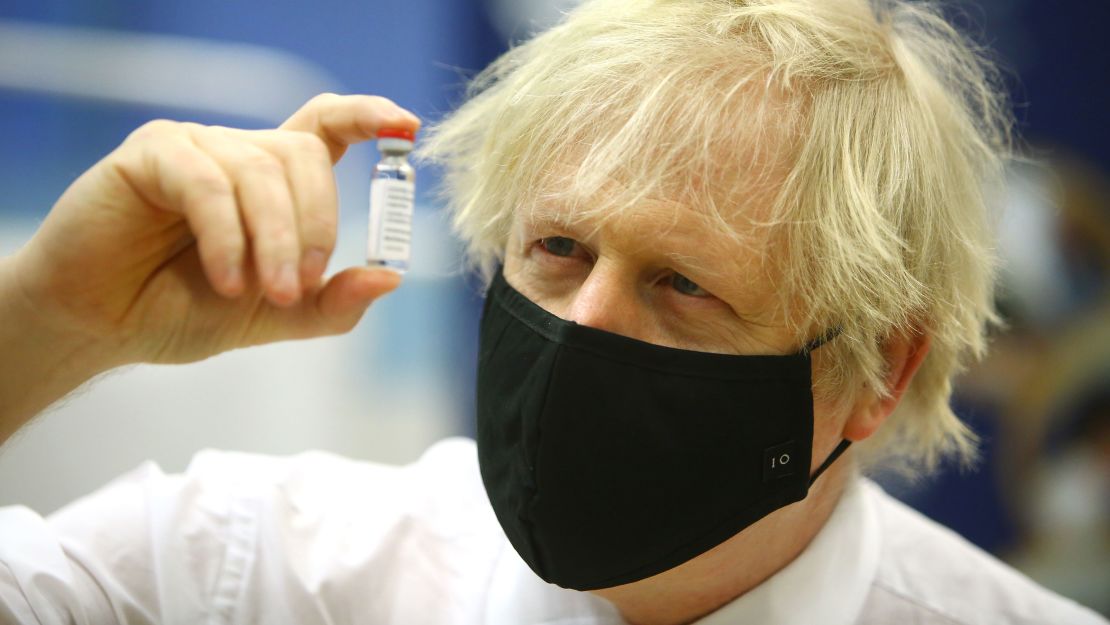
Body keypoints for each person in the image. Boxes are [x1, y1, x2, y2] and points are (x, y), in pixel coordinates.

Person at [0, 0, 1104, 623]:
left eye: (684, 284)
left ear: (877, 372)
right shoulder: (267, 568)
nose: (583, 324)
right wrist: (50, 319)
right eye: (557, 249)